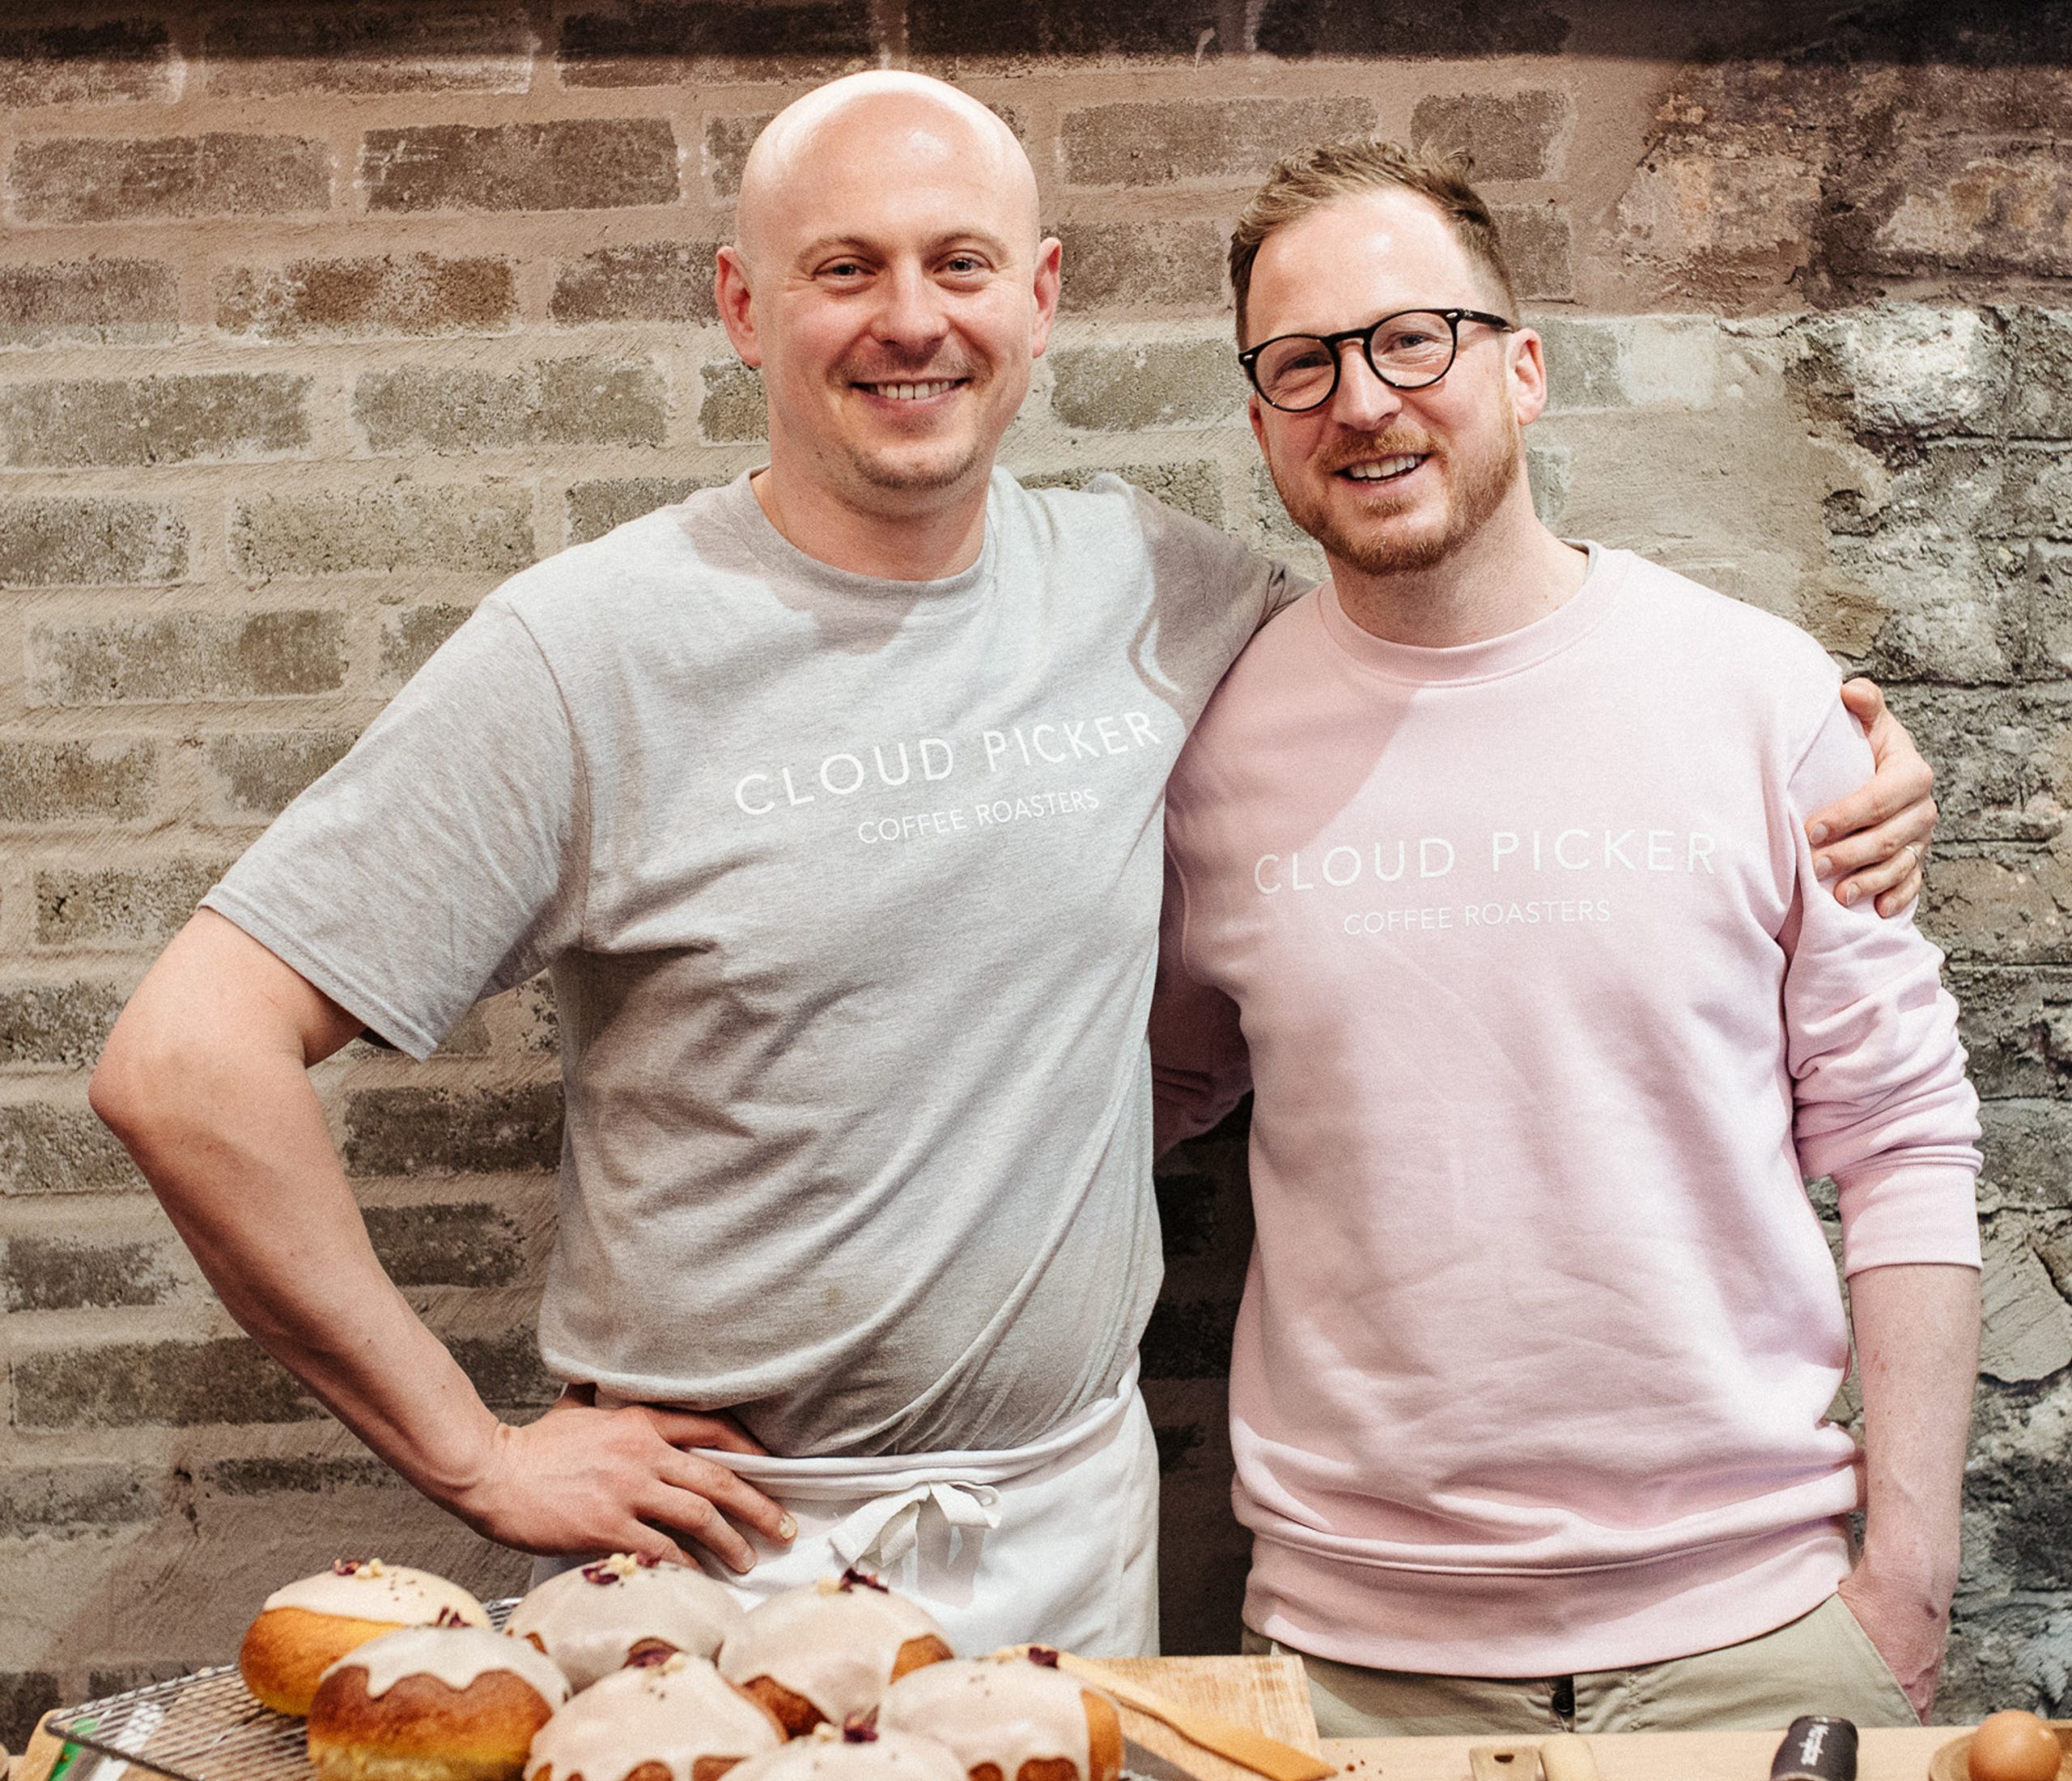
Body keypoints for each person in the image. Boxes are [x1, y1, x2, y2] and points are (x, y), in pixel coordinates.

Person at [88, 77, 1935, 1660]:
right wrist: (475, 1457)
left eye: (959, 263)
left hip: (1073, 1527)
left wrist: (1804, 733)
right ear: (741, 305)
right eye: (844, 269)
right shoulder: (587, 652)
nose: (912, 319)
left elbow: (1456, 619)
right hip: (723, 1552)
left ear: (1038, 300)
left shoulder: (1154, 593)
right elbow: (185, 1062)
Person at [1151, 140, 1981, 1733]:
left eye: (1414, 339)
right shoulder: (1211, 749)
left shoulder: (1761, 698)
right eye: (1302, 362)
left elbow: (1900, 1137)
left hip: (1758, 1633)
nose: (1363, 400)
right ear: (1259, 418)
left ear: (1518, 369)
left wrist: (1907, 1582)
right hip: (1349, 1656)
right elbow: (1150, 1089)